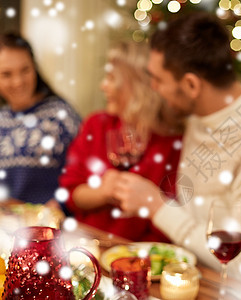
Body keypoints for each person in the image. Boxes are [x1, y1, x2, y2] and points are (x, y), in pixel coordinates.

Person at [142, 11, 241, 283]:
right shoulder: (199, 113)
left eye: (158, 80)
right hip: (190, 276)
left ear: (191, 85)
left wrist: (157, 208)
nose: (153, 88)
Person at [59, 41, 183, 242]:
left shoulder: (173, 142)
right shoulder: (95, 125)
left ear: (138, 85)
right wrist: (102, 193)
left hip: (140, 258)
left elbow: (171, 222)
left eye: (111, 78)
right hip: (88, 246)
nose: (103, 86)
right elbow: (70, 194)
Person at [0, 33, 81, 205]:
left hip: (53, 226)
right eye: (6, 74)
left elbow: (83, 177)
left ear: (35, 68)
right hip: (8, 225)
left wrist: (59, 205)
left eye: (25, 70)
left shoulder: (61, 115)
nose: (18, 82)